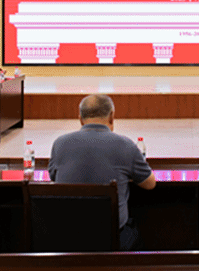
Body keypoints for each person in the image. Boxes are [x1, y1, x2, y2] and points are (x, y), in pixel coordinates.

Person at [48, 94, 155, 251]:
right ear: (112, 117)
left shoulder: (59, 144)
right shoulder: (126, 145)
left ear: (80, 119)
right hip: (112, 240)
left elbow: (53, 177)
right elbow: (150, 184)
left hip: (66, 240)